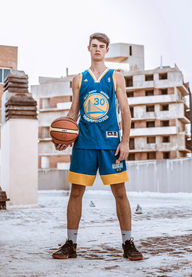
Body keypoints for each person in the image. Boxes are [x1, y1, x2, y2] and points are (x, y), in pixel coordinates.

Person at [52, 33, 143, 261]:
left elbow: (124, 110)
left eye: (102, 46)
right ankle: (71, 244)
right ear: (88, 48)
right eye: (94, 46)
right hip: (84, 143)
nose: (97, 49)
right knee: (76, 193)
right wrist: (65, 135)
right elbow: (74, 112)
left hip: (111, 143)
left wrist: (125, 141)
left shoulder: (116, 77)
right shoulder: (79, 79)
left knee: (120, 193)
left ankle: (128, 243)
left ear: (107, 50)